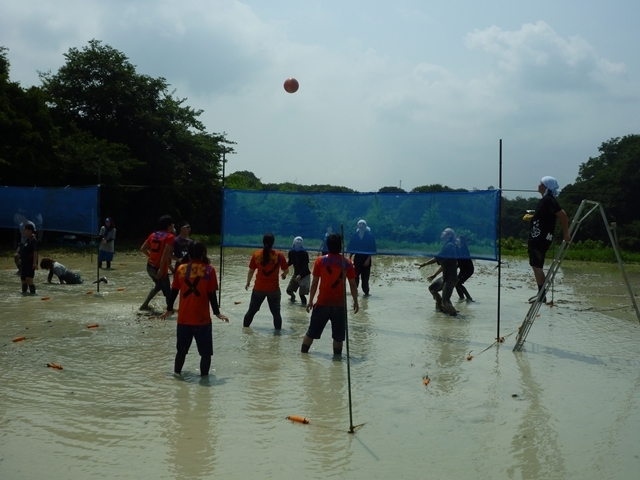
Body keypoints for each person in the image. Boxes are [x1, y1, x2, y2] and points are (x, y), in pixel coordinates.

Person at [160, 242, 229, 376]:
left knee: (181, 351)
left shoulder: (181, 269)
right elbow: (211, 294)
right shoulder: (209, 270)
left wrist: (169, 309)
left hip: (184, 319)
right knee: (205, 353)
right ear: (203, 253)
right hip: (202, 320)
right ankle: (204, 381)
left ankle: (177, 377)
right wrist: (217, 313)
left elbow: (174, 291)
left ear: (189, 253)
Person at [301, 233, 359, 356]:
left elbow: (314, 283)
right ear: (341, 246)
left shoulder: (320, 261)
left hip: (322, 303)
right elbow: (353, 285)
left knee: (311, 333)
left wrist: (310, 300)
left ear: (328, 245)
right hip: (339, 305)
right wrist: (355, 301)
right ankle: (337, 361)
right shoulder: (347, 263)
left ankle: (303, 355)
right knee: (338, 337)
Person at [528, 176, 571, 303]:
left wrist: (566, 233)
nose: (538, 185)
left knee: (536, 265)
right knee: (536, 265)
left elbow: (563, 215)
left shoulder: (548, 199)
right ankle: (541, 294)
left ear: (544, 186)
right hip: (538, 237)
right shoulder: (545, 200)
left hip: (540, 238)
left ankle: (541, 295)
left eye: (540, 183)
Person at [243, 233, 289, 330]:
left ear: (263, 242)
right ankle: (277, 336)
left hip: (258, 288)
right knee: (276, 314)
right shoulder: (279, 255)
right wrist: (284, 275)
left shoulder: (256, 255)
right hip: (273, 289)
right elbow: (286, 270)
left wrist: (248, 282)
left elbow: (251, 270)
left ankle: (245, 331)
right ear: (273, 243)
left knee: (251, 311)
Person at [417, 228, 458, 316]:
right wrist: (434, 275)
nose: (442, 232)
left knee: (446, 301)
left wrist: (424, 264)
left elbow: (437, 258)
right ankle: (440, 307)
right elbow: (444, 264)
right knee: (432, 288)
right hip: (445, 276)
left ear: (449, 235)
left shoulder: (449, 246)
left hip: (450, 278)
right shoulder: (447, 245)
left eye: (444, 232)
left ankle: (455, 319)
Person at [140, 215, 175, 310]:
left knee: (158, 286)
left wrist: (151, 257)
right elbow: (165, 253)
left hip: (149, 266)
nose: (173, 226)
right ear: (168, 225)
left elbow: (142, 248)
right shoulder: (170, 236)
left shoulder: (153, 235)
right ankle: (170, 310)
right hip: (159, 268)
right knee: (168, 291)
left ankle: (144, 305)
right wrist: (161, 269)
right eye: (172, 224)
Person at [347, 219, 377, 296]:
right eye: (360, 224)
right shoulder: (355, 236)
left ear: (365, 226)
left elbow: (372, 249)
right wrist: (350, 259)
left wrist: (368, 260)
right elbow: (351, 248)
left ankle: (366, 294)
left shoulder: (370, 236)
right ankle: (355, 293)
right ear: (358, 226)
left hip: (366, 259)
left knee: (365, 279)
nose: (361, 225)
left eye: (363, 224)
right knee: (355, 277)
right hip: (357, 259)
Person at [286, 236, 311, 304]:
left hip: (305, 275)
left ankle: (303, 308)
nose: (299, 241)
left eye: (300, 240)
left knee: (301, 295)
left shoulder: (304, 253)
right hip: (296, 274)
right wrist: (283, 266)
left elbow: (305, 266)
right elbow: (290, 262)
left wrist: (300, 275)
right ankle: (293, 298)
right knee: (289, 290)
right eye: (297, 240)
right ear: (294, 242)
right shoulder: (291, 252)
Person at [19, 223, 38, 295]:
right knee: (23, 279)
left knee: (29, 279)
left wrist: (34, 263)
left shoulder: (33, 240)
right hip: (25, 263)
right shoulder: (28, 239)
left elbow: (35, 252)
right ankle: (24, 294)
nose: (23, 231)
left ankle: (33, 295)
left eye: (25, 230)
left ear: (30, 231)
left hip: (30, 263)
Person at [455, 236, 474, 301]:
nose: (456, 239)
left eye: (458, 238)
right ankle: (461, 298)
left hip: (468, 270)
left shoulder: (465, 250)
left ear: (462, 242)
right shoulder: (456, 248)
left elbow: (461, 261)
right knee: (456, 283)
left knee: (458, 283)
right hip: (462, 269)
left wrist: (456, 266)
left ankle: (469, 298)